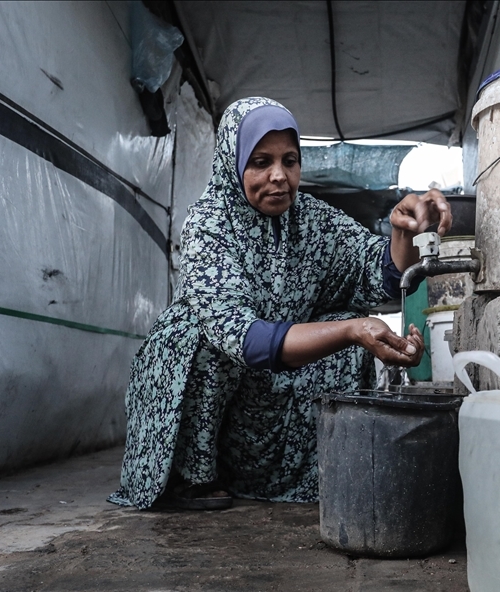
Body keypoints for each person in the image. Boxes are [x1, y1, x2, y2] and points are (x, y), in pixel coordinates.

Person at [108, 97, 451, 510]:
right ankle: (192, 476)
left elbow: (378, 273)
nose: (279, 176)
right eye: (260, 162)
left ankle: (305, 473)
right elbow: (244, 339)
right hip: (219, 383)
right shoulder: (209, 223)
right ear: (232, 162)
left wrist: (404, 231)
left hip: (267, 394)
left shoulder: (312, 220)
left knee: (346, 335)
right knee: (199, 341)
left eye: (290, 161)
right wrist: (351, 330)